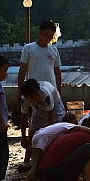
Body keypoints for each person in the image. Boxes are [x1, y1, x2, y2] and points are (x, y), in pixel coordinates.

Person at [18, 114, 90, 181]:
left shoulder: (64, 132)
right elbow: (86, 161)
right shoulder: (72, 127)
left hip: (39, 140)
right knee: (35, 167)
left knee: (56, 159)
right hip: (42, 141)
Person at [17, 20, 62, 168]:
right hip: (33, 91)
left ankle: (52, 157)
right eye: (45, 35)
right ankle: (28, 160)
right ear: (39, 32)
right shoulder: (29, 49)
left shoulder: (53, 50)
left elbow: (57, 72)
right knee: (34, 128)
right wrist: (20, 90)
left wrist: (59, 91)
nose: (48, 38)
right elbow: (22, 70)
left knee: (56, 127)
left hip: (51, 93)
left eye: (51, 36)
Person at [19, 79, 66, 167]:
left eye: (37, 94)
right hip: (37, 108)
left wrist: (48, 136)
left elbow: (50, 118)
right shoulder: (24, 100)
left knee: (57, 131)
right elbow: (23, 117)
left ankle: (54, 158)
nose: (36, 97)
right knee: (32, 130)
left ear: (39, 91)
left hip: (54, 106)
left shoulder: (46, 95)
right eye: (32, 97)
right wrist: (23, 137)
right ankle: (27, 161)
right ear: (27, 97)